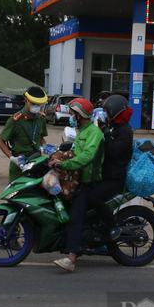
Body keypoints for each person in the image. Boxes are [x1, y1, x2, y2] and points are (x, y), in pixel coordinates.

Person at [48, 98, 104, 273]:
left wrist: (63, 165)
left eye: (72, 114)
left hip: (90, 182)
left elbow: (87, 156)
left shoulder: (93, 132)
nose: (71, 117)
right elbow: (75, 152)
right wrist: (60, 155)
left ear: (80, 115)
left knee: (75, 217)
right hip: (80, 179)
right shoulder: (82, 131)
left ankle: (71, 258)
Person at [88, 95, 134, 241]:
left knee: (93, 198)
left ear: (114, 112)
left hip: (115, 178)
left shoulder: (125, 131)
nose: (106, 116)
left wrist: (106, 132)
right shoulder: (117, 128)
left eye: (107, 113)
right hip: (107, 175)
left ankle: (113, 226)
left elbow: (113, 150)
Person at [0, 86, 48, 182]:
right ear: (25, 101)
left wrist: (45, 147)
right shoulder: (15, 120)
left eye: (39, 105)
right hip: (19, 168)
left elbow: (41, 138)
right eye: (34, 104)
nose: (36, 107)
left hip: (36, 164)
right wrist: (12, 158)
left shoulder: (41, 119)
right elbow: (0, 141)